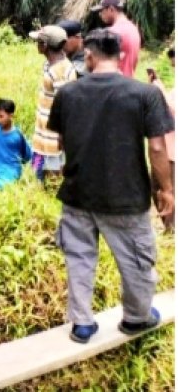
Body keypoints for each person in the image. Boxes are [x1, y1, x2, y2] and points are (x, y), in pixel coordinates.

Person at [47, 29, 173, 344]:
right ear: (120, 56)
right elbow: (157, 149)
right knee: (136, 260)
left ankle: (82, 324)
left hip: (77, 194)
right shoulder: (144, 94)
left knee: (79, 259)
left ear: (88, 56)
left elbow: (61, 142)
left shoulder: (68, 93)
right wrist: (166, 190)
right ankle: (137, 317)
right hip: (127, 197)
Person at [29, 25, 77, 183]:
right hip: (41, 133)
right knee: (36, 166)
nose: (37, 45)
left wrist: (63, 137)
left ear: (45, 45)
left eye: (39, 42)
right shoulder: (49, 65)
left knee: (53, 173)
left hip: (53, 136)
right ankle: (36, 185)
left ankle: (48, 196)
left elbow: (66, 107)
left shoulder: (61, 72)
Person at [148, 48, 175, 232]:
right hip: (167, 147)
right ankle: (169, 228)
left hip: (172, 151)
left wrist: (158, 89)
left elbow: (172, 111)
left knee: (168, 191)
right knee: (156, 189)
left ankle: (171, 230)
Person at [90, 0, 141, 78]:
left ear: (111, 9)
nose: (100, 14)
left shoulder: (112, 33)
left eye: (101, 11)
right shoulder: (133, 29)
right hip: (128, 82)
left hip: (114, 85)